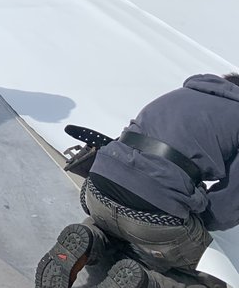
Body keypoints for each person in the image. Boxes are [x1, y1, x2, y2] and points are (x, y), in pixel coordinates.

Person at [36, 73, 239, 288]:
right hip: (153, 217)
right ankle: (146, 282)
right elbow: (226, 209)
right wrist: (194, 222)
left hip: (97, 190)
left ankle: (90, 239)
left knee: (123, 226)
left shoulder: (184, 94)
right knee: (214, 278)